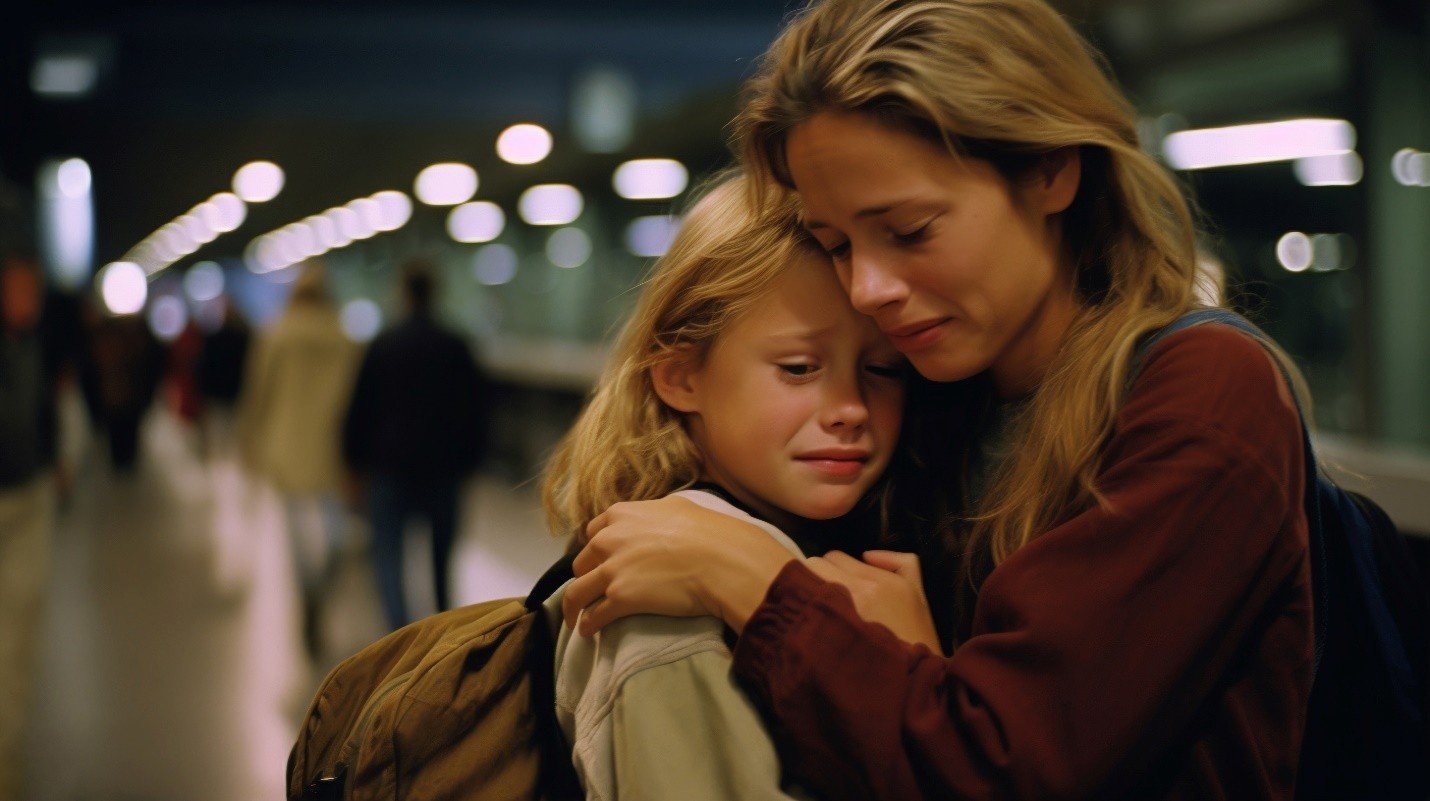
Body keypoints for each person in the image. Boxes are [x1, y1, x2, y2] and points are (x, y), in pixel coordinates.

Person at [560, 1, 1315, 799]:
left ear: (1052, 170)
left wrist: (749, 578)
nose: (869, 288)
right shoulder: (940, 395)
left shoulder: (1199, 394)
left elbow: (1005, 763)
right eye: (838, 244)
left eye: (911, 230)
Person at [541, 173, 908, 800]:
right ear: (682, 376)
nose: (850, 407)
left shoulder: (825, 542)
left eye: (882, 369)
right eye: (798, 369)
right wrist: (906, 675)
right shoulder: (665, 611)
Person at [342, 257, 490, 631]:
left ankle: (400, 636)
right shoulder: (456, 345)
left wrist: (353, 466)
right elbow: (476, 410)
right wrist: (471, 464)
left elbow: (359, 409)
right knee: (442, 558)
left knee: (389, 557)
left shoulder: (383, 345)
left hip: (390, 468)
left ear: (403, 293)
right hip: (444, 469)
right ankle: (442, 635)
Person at [236, 261, 359, 658]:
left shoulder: (276, 333)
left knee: (296, 535)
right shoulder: (343, 336)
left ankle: (308, 590)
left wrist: (249, 438)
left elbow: (259, 390)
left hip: (285, 445)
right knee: (336, 532)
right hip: (333, 445)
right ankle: (323, 582)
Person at [0, 254, 60, 801]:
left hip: (27, 495)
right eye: (20, 287)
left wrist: (52, 459)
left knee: (19, 625)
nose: (30, 298)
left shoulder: (29, 345)